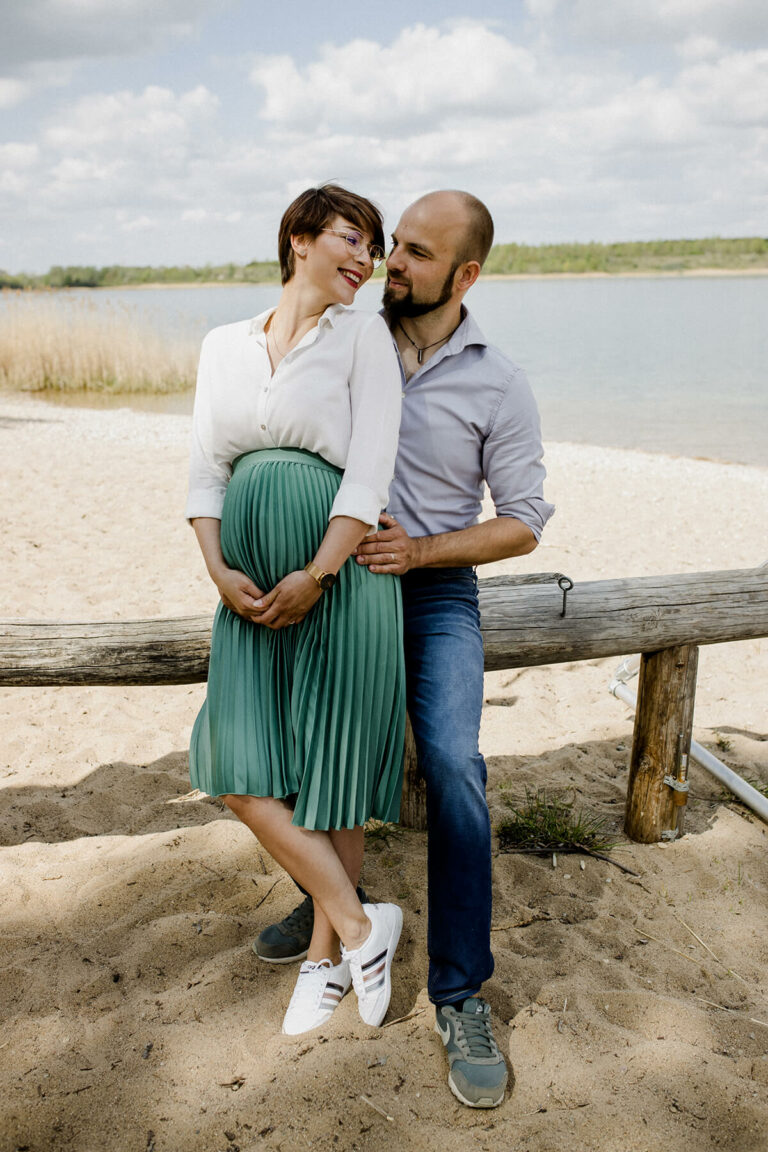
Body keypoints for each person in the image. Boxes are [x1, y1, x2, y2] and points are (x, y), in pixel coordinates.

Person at [256, 190, 554, 1107]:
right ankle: (332, 908)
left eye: (417, 254)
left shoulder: (499, 381)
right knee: (313, 750)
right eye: (395, 248)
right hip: (341, 581)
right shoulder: (350, 331)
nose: (394, 264)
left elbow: (525, 523)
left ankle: (460, 993)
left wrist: (422, 549)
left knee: (457, 765)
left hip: (430, 593)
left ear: (466, 275)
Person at [186, 185, 406, 1037]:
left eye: (374, 248)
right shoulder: (223, 345)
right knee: (236, 768)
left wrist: (318, 571)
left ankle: (324, 963)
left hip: (339, 578)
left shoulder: (366, 339)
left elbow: (368, 472)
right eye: (351, 238)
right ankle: (360, 923)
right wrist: (217, 570)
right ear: (299, 239)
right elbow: (206, 471)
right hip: (244, 589)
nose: (365, 259)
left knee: (332, 772)